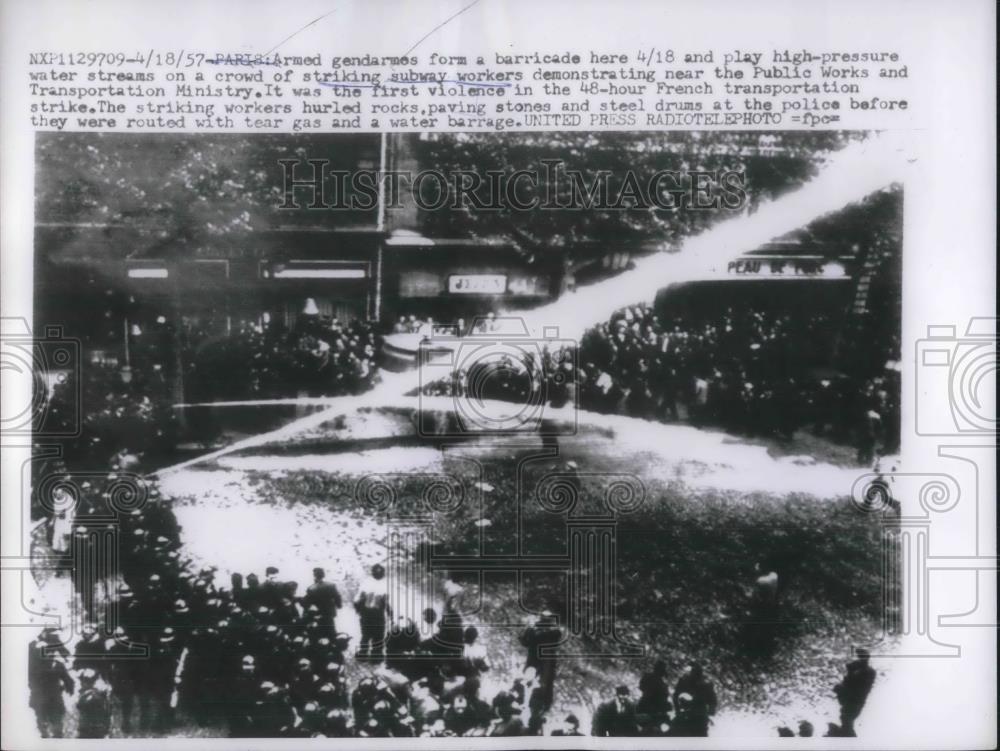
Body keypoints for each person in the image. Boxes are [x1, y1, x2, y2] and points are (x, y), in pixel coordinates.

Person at [28, 628, 73, 738]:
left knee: (56, 715)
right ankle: (44, 731)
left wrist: (69, 685)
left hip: (53, 691)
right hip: (40, 689)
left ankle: (56, 732)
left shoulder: (56, 662)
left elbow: (65, 654)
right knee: (42, 714)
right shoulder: (34, 645)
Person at [519, 612, 562, 713]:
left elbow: (525, 641)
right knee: (536, 682)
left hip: (543, 661)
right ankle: (531, 703)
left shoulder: (550, 632)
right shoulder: (536, 630)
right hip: (537, 661)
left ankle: (539, 704)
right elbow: (525, 641)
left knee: (543, 682)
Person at [833, 648, 876, 736]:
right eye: (860, 656)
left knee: (846, 718)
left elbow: (859, 687)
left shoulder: (867, 672)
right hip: (853, 699)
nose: (860, 658)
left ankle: (846, 737)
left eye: (862, 656)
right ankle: (845, 735)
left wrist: (841, 689)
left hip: (855, 699)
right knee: (846, 718)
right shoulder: (858, 669)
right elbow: (849, 682)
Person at [354, 563, 391, 661]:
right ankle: (376, 656)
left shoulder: (366, 583)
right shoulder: (386, 584)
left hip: (366, 613)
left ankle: (363, 655)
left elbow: (358, 600)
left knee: (366, 634)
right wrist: (390, 613)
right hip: (378, 614)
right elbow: (388, 602)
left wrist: (358, 611)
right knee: (378, 635)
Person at [672, 663, 717, 737]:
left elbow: (713, 701)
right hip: (687, 715)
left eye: (698, 673)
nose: (696, 676)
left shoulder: (706, 685)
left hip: (699, 716)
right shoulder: (685, 682)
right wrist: (678, 711)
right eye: (695, 673)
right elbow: (675, 696)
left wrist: (710, 710)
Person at [637, 659, 673, 734]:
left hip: (644, 707)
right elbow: (663, 698)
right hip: (655, 711)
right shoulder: (662, 685)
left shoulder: (647, 677)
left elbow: (641, 687)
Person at [76, 668, 112, 738]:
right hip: (97, 729)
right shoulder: (99, 694)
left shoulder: (90, 695)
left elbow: (80, 705)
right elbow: (107, 713)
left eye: (82, 682)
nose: (81, 684)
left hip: (88, 730)